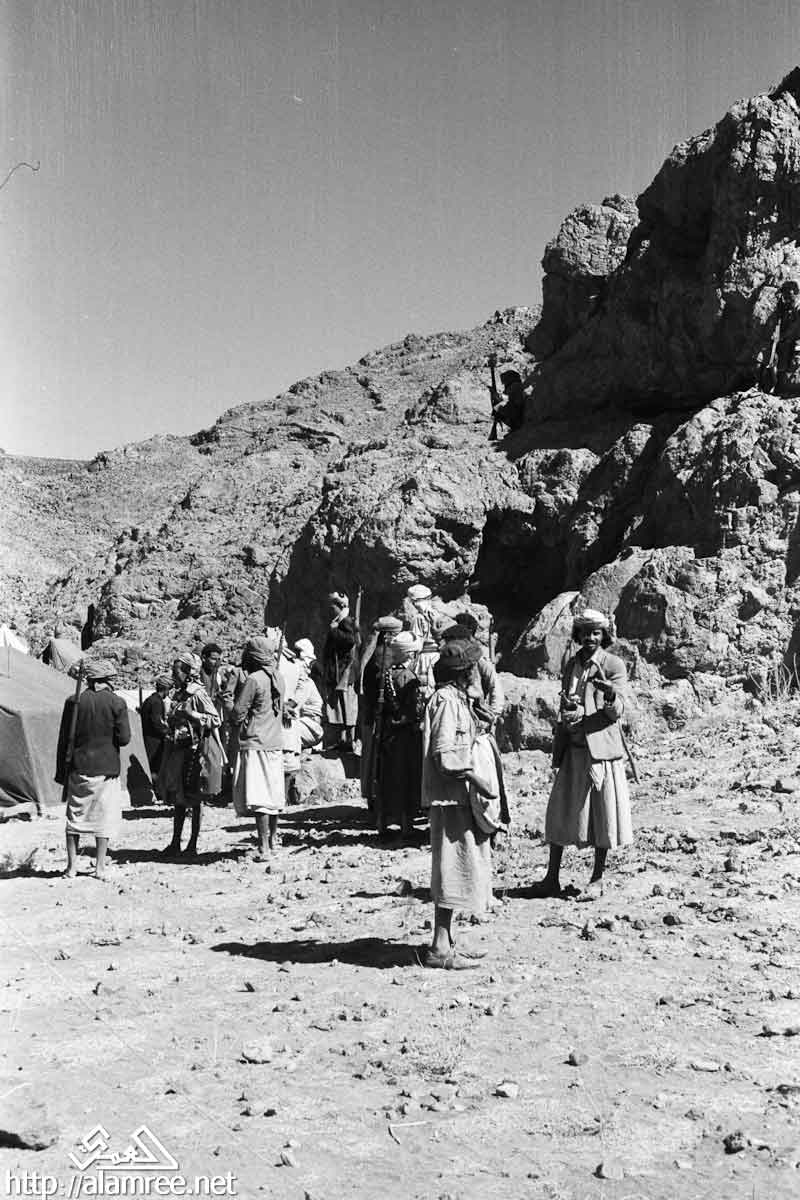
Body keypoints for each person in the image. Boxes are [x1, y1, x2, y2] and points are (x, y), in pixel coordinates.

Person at [531, 609, 632, 899]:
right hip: (573, 749)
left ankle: (597, 879)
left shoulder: (613, 665)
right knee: (559, 812)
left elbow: (617, 712)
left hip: (599, 750)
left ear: (604, 635)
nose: (590, 638)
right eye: (585, 633)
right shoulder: (572, 664)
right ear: (578, 635)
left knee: (602, 815)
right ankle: (551, 878)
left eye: (596, 633)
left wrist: (609, 694)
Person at [420, 640, 507, 969]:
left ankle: (448, 940)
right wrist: (476, 778)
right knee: (452, 868)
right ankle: (440, 948)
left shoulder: (457, 699)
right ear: (465, 672)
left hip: (457, 797)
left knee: (460, 865)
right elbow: (444, 754)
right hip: (451, 797)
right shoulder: (446, 702)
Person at [55, 659, 131, 880]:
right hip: (106, 769)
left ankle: (71, 868)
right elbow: (124, 739)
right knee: (103, 819)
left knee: (75, 818)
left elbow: (64, 739)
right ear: (104, 680)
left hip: (78, 767)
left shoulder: (74, 701)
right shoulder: (117, 702)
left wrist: (61, 772)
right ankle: (99, 867)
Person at [158, 651, 223, 858]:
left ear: (187, 671)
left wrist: (192, 715)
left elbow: (215, 719)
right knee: (178, 798)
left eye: (176, 670)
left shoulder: (197, 693)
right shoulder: (178, 694)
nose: (173, 674)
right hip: (178, 750)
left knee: (194, 800)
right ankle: (175, 842)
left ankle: (192, 843)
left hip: (194, 752)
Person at [230, 637, 285, 858]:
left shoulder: (254, 679)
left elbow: (238, 712)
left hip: (256, 743)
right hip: (275, 743)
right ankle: (273, 839)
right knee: (273, 796)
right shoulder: (278, 677)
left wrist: (229, 707)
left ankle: (263, 846)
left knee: (260, 797)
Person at [376, 630, 425, 842]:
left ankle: (383, 822)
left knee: (386, 777)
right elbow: (414, 709)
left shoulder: (384, 675)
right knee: (406, 777)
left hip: (387, 732)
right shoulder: (409, 678)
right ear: (409, 655)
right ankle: (406, 825)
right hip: (405, 735)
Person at [359, 616, 403, 802]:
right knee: (375, 757)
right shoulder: (382, 656)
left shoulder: (380, 653)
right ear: (388, 636)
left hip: (374, 712)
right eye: (396, 635)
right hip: (378, 715)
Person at [440, 615, 504, 719]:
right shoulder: (449, 658)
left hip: (473, 712)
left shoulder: (477, 659)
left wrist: (494, 714)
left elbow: (494, 684)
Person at [321, 592, 359, 751]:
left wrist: (334, 631)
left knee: (347, 707)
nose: (331, 610)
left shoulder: (345, 621)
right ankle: (342, 740)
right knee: (340, 707)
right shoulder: (339, 621)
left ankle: (349, 740)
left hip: (344, 673)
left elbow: (350, 640)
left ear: (340, 606)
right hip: (339, 672)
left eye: (333, 607)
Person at [139, 674, 171, 776]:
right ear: (166, 689)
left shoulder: (151, 699)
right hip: (153, 742)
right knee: (153, 768)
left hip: (148, 738)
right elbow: (157, 723)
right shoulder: (156, 702)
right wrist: (169, 732)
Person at [489, 366, 527, 436]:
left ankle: (515, 425)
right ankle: (514, 426)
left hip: (517, 413)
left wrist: (495, 394)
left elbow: (506, 399)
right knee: (498, 407)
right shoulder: (514, 386)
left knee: (498, 406)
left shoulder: (515, 386)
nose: (504, 382)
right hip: (517, 413)